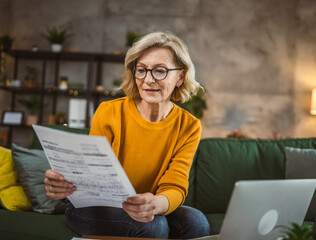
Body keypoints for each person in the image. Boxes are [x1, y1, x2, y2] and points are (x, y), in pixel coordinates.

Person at [43, 31, 210, 239]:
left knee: (196, 222)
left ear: (180, 76)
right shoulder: (109, 112)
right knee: (154, 227)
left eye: (160, 71)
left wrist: (154, 204)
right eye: (141, 70)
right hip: (95, 207)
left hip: (145, 204)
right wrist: (64, 184)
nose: (148, 80)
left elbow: (175, 186)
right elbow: (89, 173)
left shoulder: (189, 125)